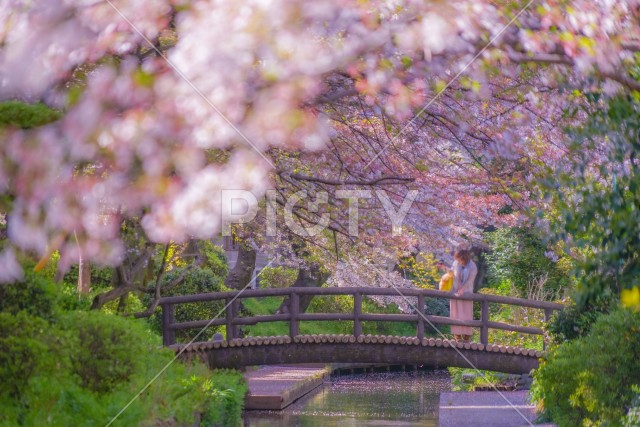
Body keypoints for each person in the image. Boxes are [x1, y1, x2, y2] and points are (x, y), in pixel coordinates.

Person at [449, 248, 477, 342]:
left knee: (466, 314)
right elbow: (451, 274)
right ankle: (457, 336)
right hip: (456, 291)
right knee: (455, 313)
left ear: (464, 258)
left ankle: (466, 336)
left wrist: (463, 289)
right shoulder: (455, 264)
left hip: (467, 293)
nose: (457, 260)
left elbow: (470, 280)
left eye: (459, 258)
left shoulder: (472, 266)